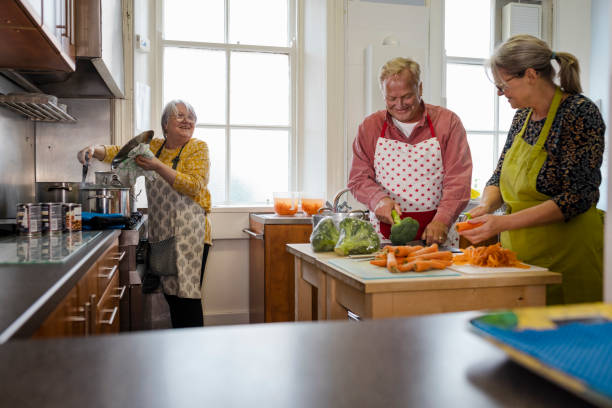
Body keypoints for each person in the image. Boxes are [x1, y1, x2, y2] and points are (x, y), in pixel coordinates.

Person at [460, 35, 605, 305]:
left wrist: (503, 223)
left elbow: (578, 197)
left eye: (503, 85)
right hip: (521, 259)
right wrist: (486, 206)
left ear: (530, 75)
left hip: (570, 256)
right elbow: (499, 174)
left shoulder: (579, 113)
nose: (500, 94)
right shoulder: (522, 116)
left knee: (568, 343)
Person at [77, 99, 212, 327]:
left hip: (191, 235)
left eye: (191, 117)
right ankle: (182, 347)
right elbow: (120, 152)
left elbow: (193, 186)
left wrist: (157, 166)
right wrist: (94, 150)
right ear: (165, 124)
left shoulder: (197, 148)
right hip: (162, 233)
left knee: (187, 298)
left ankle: (193, 351)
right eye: (179, 115)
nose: (187, 121)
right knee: (171, 296)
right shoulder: (155, 147)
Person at [348, 57, 472, 246]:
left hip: (437, 235)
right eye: (392, 98)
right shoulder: (370, 126)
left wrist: (443, 219)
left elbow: (458, 180)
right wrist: (378, 200)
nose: (400, 104)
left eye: (406, 96)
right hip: (385, 238)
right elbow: (358, 179)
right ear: (383, 95)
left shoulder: (447, 123)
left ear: (419, 88)